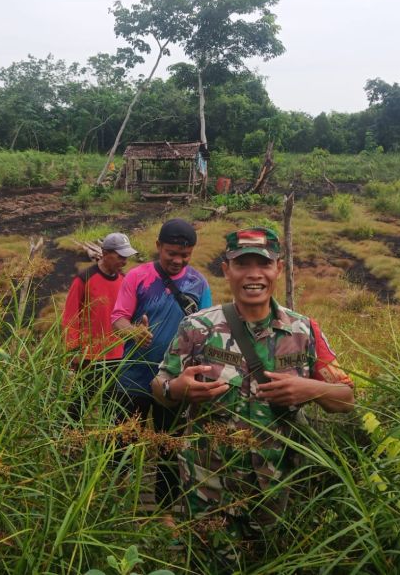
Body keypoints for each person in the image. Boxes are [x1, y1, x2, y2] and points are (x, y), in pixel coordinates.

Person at [151, 227, 354, 560]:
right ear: (226, 269)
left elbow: (345, 399)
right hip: (207, 488)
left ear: (277, 268)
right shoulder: (198, 328)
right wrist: (178, 388)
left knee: (268, 563)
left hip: (275, 489)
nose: (253, 275)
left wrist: (311, 388)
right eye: (242, 264)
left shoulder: (304, 332)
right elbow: (160, 388)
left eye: (264, 264)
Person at [111, 218, 212, 520]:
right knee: (124, 439)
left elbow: (208, 327)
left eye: (185, 255)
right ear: (157, 247)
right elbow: (118, 319)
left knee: (169, 445)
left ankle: (165, 512)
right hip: (133, 378)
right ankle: (117, 495)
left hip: (174, 382)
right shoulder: (137, 278)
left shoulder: (199, 283)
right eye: (171, 253)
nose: (177, 260)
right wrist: (133, 333)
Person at [61, 232, 137, 422]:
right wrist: (73, 351)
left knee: (113, 408)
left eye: (126, 257)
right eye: (120, 256)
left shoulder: (124, 280)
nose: (124, 261)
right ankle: (65, 440)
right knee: (79, 405)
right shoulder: (84, 278)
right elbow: (70, 318)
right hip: (90, 356)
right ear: (104, 252)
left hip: (118, 355)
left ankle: (109, 445)